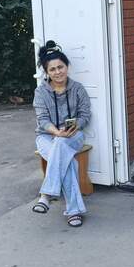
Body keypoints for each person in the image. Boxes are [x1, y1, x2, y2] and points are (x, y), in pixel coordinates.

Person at [32, 40, 91, 227]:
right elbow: (42, 119)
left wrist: (75, 126)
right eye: (52, 69)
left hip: (74, 135)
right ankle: (74, 211)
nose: (58, 72)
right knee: (68, 160)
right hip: (47, 136)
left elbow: (85, 115)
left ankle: (46, 194)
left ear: (67, 67)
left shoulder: (77, 89)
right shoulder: (41, 92)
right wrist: (56, 132)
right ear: (47, 72)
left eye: (61, 67)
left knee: (62, 145)